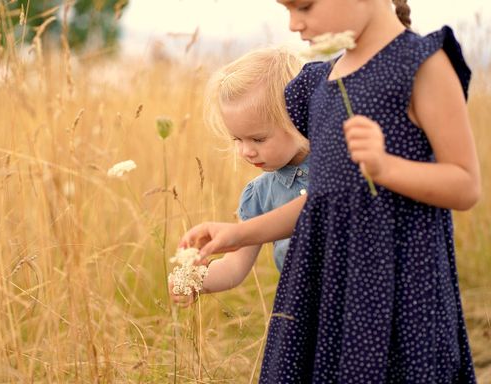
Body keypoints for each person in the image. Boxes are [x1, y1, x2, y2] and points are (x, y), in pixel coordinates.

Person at [179, 0, 481, 382]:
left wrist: (387, 167)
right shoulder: (318, 84)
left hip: (402, 291)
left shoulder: (421, 65)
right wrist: (237, 233)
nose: (292, 24)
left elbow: (466, 185)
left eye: (303, 6)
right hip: (324, 298)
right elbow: (321, 202)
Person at [170, 47, 310, 306]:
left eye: (258, 138)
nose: (246, 151)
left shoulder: (338, 166)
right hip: (304, 313)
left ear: (297, 118)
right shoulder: (259, 195)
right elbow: (234, 267)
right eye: (237, 139)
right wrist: (194, 278)